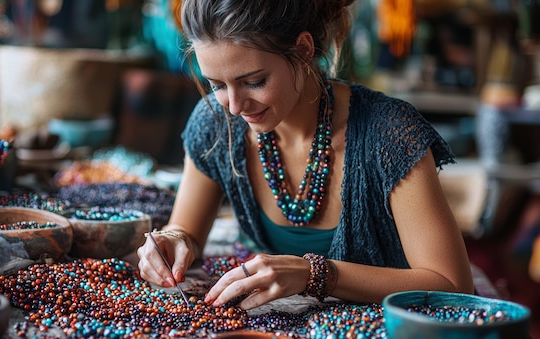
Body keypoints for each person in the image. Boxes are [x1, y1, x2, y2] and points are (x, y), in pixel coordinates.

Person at [136, 0, 475, 310]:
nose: (235, 107)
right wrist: (172, 241)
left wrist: (314, 273)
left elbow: (453, 287)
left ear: (302, 50)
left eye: (254, 81)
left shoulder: (389, 135)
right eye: (217, 85)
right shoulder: (215, 123)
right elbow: (186, 232)